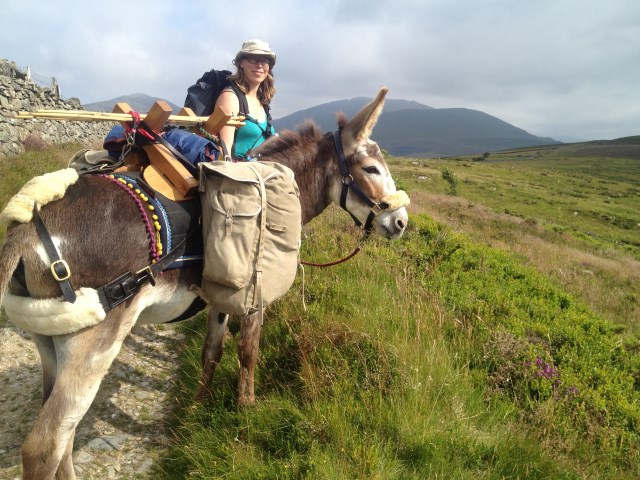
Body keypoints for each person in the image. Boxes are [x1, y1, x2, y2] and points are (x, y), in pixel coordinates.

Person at [216, 39, 277, 161]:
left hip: (261, 172)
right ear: (241, 63)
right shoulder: (231, 97)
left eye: (265, 60)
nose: (259, 65)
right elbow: (224, 151)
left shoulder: (263, 101)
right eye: (253, 58)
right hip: (239, 174)